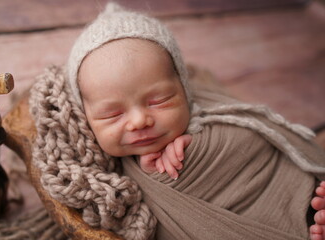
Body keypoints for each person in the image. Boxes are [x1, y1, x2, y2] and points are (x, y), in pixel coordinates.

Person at [30, 2, 325, 240]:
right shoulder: (98, 175)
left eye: (158, 101)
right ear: (86, 119)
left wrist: (200, 140)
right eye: (112, 114)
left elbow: (251, 138)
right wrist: (148, 174)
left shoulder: (213, 110)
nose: (139, 121)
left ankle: (304, 211)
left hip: (274, 186)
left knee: (304, 191)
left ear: (184, 88)